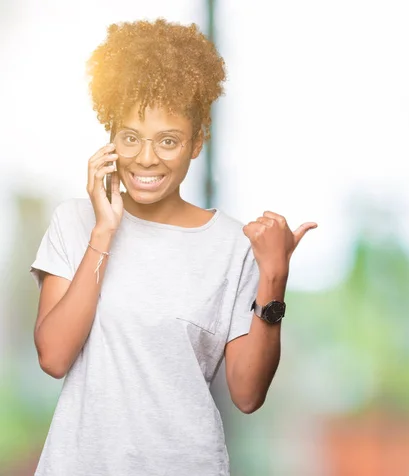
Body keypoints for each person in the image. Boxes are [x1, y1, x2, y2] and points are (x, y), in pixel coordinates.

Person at [29, 18, 317, 476]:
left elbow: (247, 394)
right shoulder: (75, 221)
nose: (146, 158)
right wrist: (103, 232)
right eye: (130, 138)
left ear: (197, 143)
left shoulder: (231, 246)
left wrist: (274, 278)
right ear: (110, 138)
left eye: (168, 141)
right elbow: (54, 356)